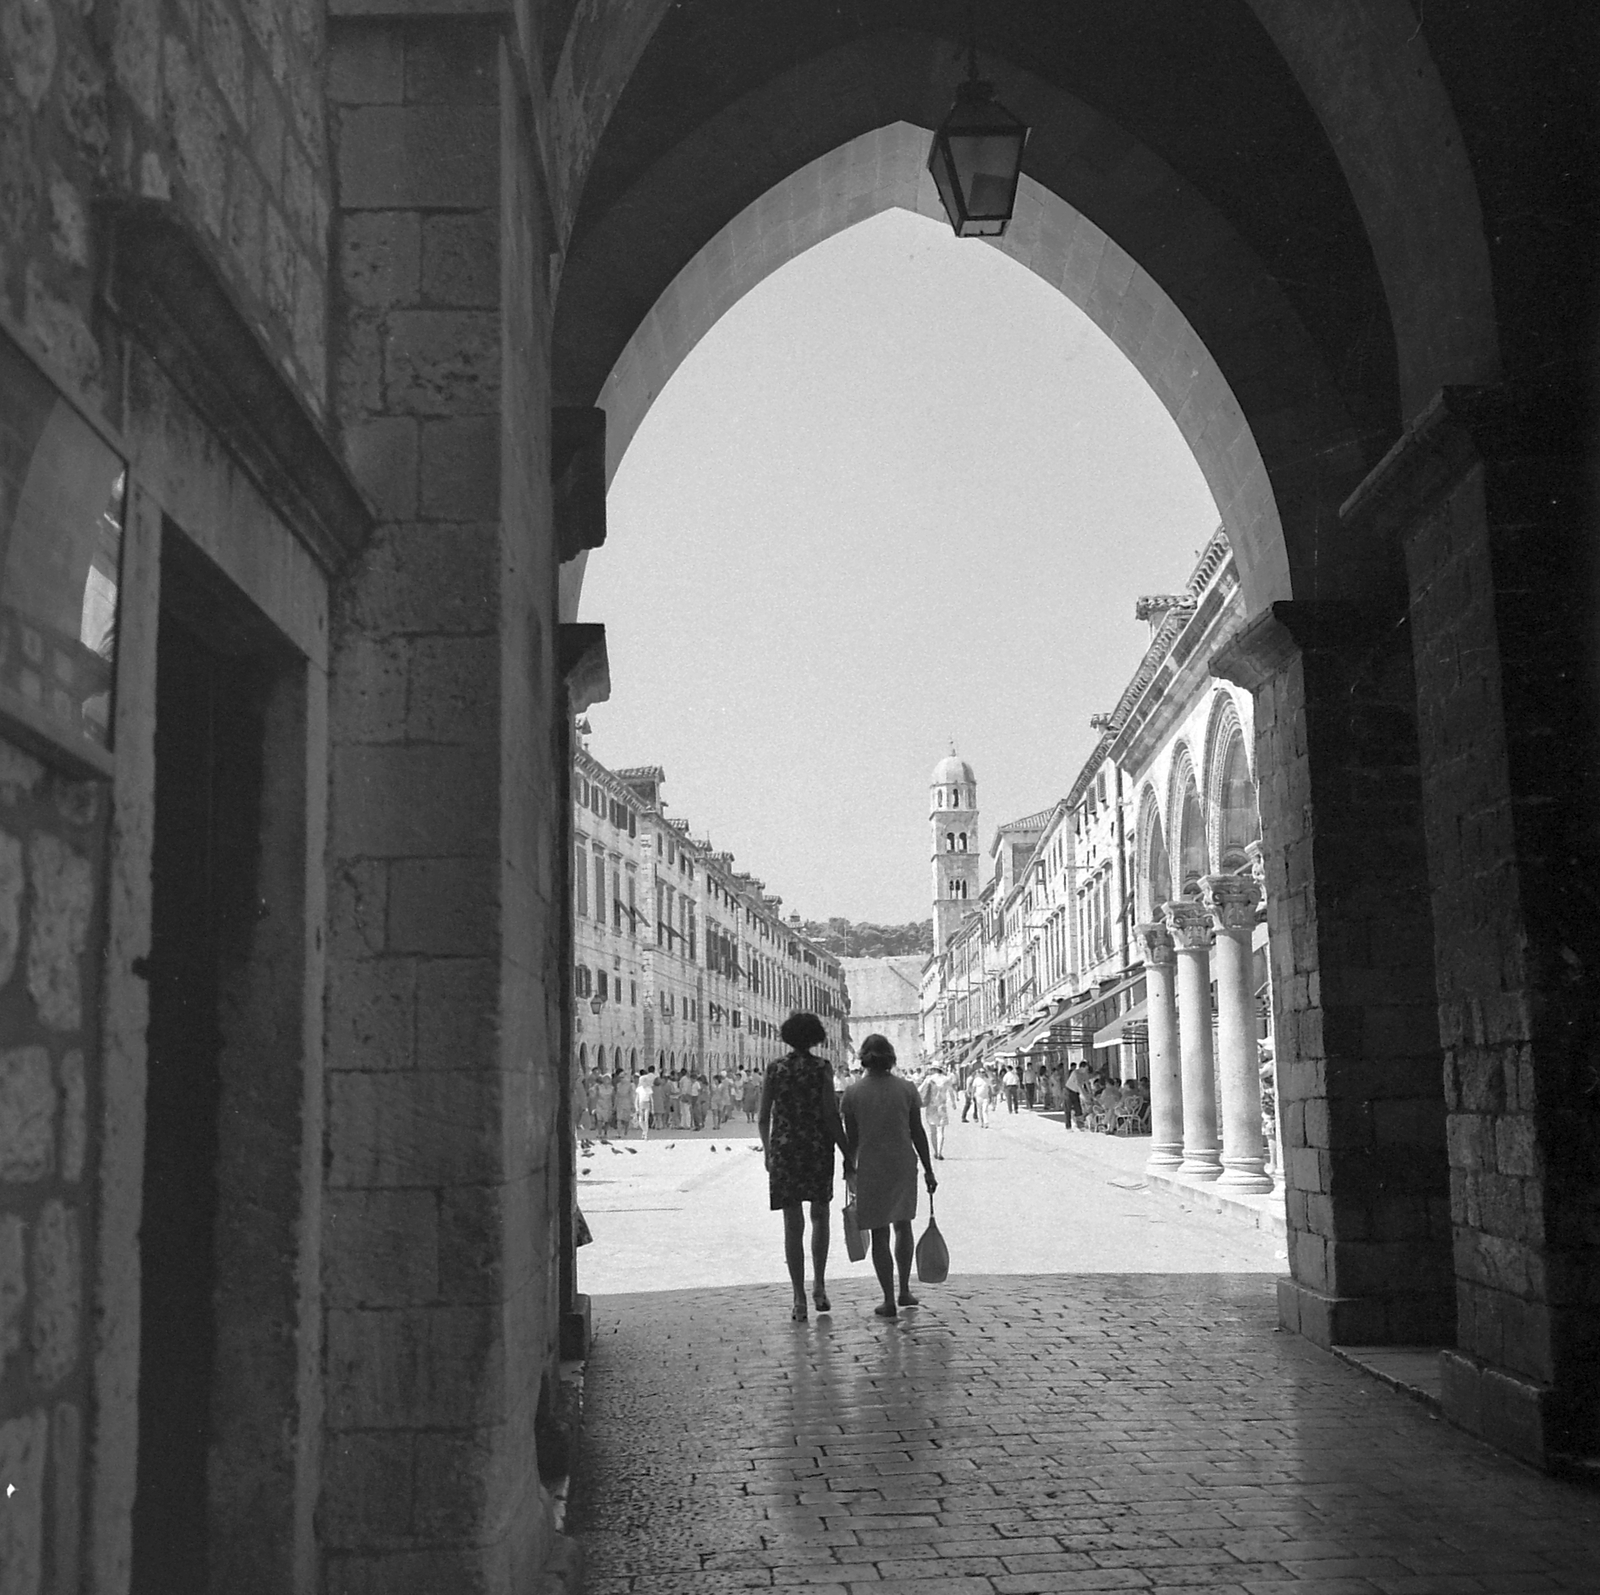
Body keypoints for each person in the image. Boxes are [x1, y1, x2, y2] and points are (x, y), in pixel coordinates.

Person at [759, 1012, 853, 1321]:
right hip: (816, 1147)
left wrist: (768, 1152)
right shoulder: (821, 1068)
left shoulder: (775, 1069)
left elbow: (763, 1116)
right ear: (815, 1037)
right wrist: (846, 1152)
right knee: (820, 1216)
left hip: (785, 1149)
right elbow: (830, 1114)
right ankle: (820, 1286)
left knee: (792, 1224)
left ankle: (798, 1297)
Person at [841, 1035, 938, 1319]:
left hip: (870, 1167)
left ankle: (888, 1299)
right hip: (902, 1165)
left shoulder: (853, 1094)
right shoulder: (906, 1089)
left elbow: (852, 1139)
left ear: (863, 1058)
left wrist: (848, 1169)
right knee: (903, 1226)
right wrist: (929, 1169)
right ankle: (904, 1289)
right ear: (891, 1058)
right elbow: (917, 1133)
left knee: (879, 1232)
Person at [919, 1064, 955, 1160]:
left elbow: (919, 1090)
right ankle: (939, 1152)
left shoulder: (929, 1079)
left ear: (933, 1069)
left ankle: (935, 1151)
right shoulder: (946, 1079)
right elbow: (951, 1092)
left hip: (931, 1106)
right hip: (942, 1106)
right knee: (941, 1131)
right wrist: (954, 1103)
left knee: (933, 1131)